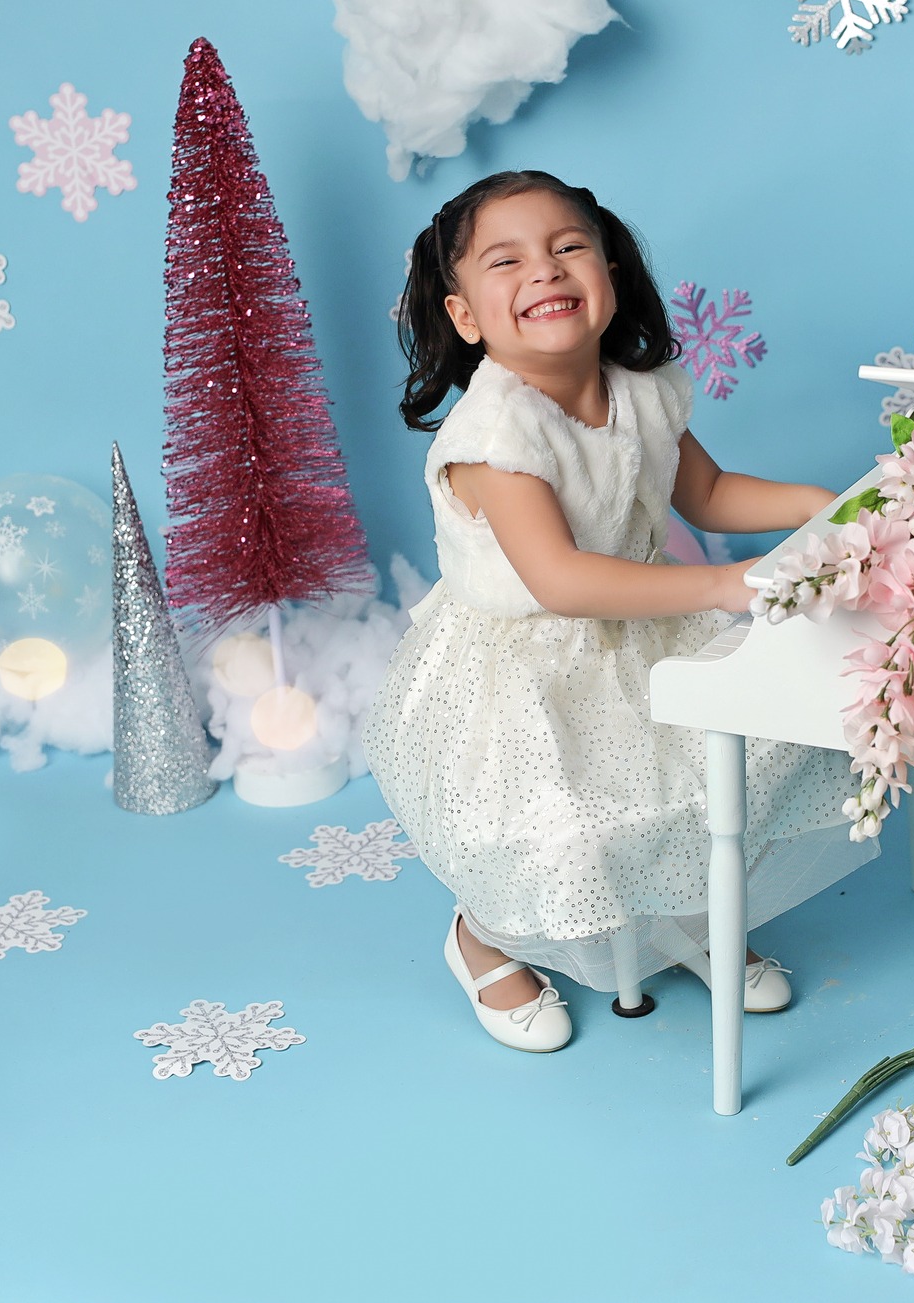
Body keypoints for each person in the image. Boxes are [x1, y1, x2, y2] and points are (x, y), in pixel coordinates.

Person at [362, 170, 872, 1054]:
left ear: (608, 270)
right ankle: (482, 934)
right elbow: (560, 580)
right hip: (529, 660)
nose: (546, 272)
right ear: (467, 316)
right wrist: (720, 586)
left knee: (706, 782)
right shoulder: (495, 436)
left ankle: (684, 918)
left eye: (568, 247)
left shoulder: (641, 388)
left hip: (642, 622)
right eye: (506, 260)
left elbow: (705, 493)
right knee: (559, 821)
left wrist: (819, 503)